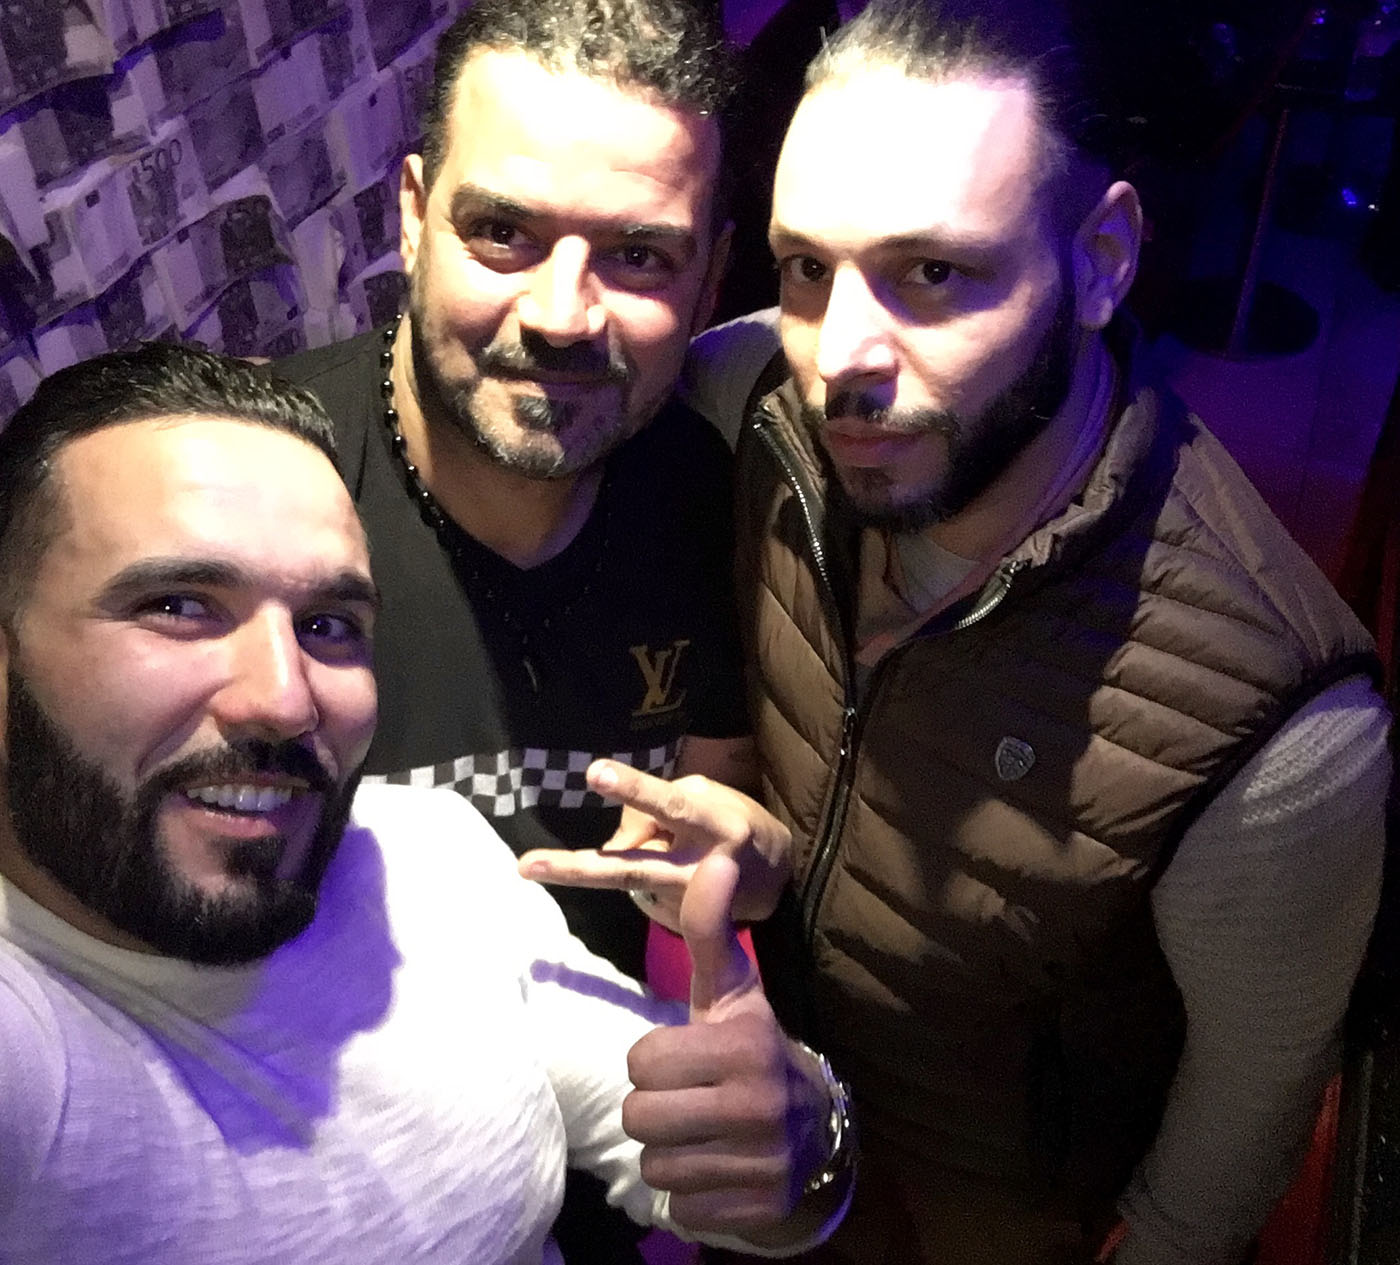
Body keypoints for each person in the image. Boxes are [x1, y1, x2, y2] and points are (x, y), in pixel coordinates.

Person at [519, 2, 1395, 1262]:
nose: (839, 357)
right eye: (807, 269)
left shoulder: (1277, 729)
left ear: (1100, 260)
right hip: (779, 1176)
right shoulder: (752, 398)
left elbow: (1235, 1134)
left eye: (930, 274)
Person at [0, 344, 852, 1265]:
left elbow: (730, 1170)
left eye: (327, 625)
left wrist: (806, 1135)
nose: (285, 699)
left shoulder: (427, 852)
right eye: (178, 605)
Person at [276, 0, 749, 988]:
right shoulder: (263, 485)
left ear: (709, 285)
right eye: (502, 232)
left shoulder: (708, 498)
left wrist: (744, 880)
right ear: (413, 218)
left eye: (638, 256)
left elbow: (708, 838)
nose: (561, 317)